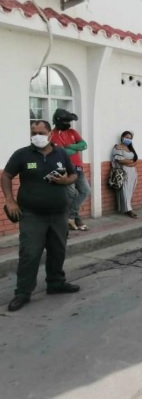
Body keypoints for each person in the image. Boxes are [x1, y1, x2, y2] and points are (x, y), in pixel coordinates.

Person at [1, 120, 80, 312]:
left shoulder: (61, 152)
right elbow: (6, 175)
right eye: (33, 132)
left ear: (50, 134)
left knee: (58, 250)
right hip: (31, 215)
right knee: (30, 254)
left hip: (59, 213)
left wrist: (65, 180)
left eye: (41, 132)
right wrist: (10, 201)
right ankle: (23, 293)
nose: (37, 135)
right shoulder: (22, 154)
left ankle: (56, 283)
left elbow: (73, 175)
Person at [50, 108, 90, 231]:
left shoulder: (73, 132)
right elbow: (62, 152)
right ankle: (76, 219)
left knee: (85, 191)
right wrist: (74, 149)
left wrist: (71, 146)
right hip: (66, 169)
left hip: (78, 167)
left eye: (69, 122)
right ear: (58, 121)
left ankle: (71, 217)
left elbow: (84, 145)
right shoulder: (52, 135)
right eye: (66, 122)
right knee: (72, 194)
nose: (68, 124)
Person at [111, 131, 139, 218]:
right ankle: (129, 210)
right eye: (127, 137)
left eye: (130, 138)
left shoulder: (130, 148)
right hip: (123, 171)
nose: (128, 139)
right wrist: (131, 162)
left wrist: (131, 163)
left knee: (130, 190)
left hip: (132, 172)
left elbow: (136, 159)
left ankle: (126, 207)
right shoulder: (118, 147)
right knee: (125, 190)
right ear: (122, 137)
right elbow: (120, 160)